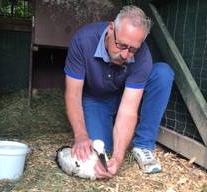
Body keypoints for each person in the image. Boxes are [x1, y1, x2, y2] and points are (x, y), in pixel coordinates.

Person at [64, 5, 174, 179]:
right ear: (111, 29)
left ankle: (143, 144)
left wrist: (118, 156)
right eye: (121, 45)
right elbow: (73, 95)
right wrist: (81, 135)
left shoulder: (142, 55)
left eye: (132, 49)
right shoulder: (83, 40)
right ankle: (108, 125)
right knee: (100, 150)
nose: (124, 54)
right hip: (97, 98)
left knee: (163, 73)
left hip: (124, 96)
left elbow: (128, 109)